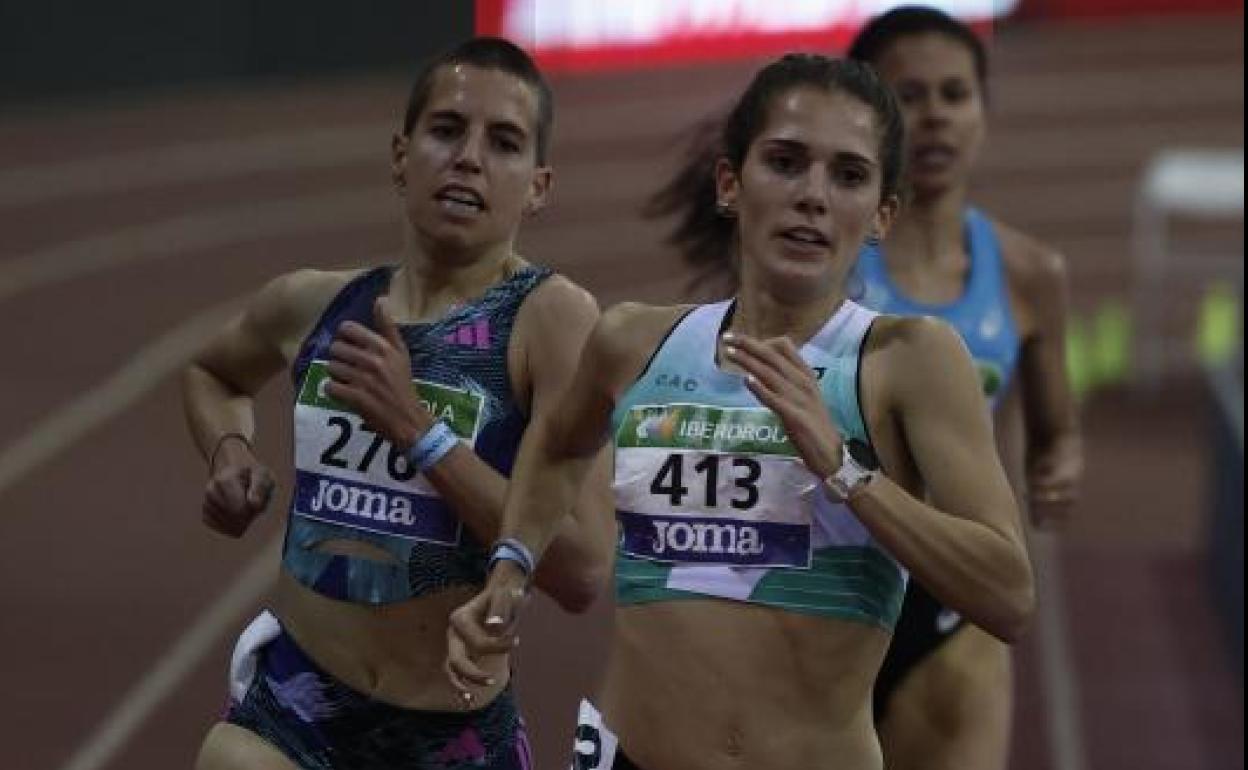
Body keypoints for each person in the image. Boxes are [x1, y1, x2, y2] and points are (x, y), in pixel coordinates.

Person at [446, 53, 1035, 770]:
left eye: (847, 175)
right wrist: (508, 569)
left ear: (882, 215)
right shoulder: (633, 342)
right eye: (786, 162)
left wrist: (844, 469)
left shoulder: (906, 360)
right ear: (730, 183)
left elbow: (1007, 594)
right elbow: (561, 446)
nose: (812, 195)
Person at [646, 8, 1085, 769]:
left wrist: (1059, 463)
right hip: (815, 586)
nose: (937, 117)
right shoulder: (816, 254)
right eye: (911, 95)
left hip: (945, 595)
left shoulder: (1028, 274)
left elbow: (1057, 428)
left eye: (956, 94)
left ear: (984, 112)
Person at [182, 36, 613, 770]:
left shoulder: (551, 322)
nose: (469, 157)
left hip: (451, 734)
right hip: (296, 706)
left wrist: (421, 434)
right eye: (446, 131)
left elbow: (580, 570)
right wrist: (229, 451)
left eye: (502, 142)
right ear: (400, 155)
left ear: (538, 186)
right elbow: (211, 373)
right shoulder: (314, 303)